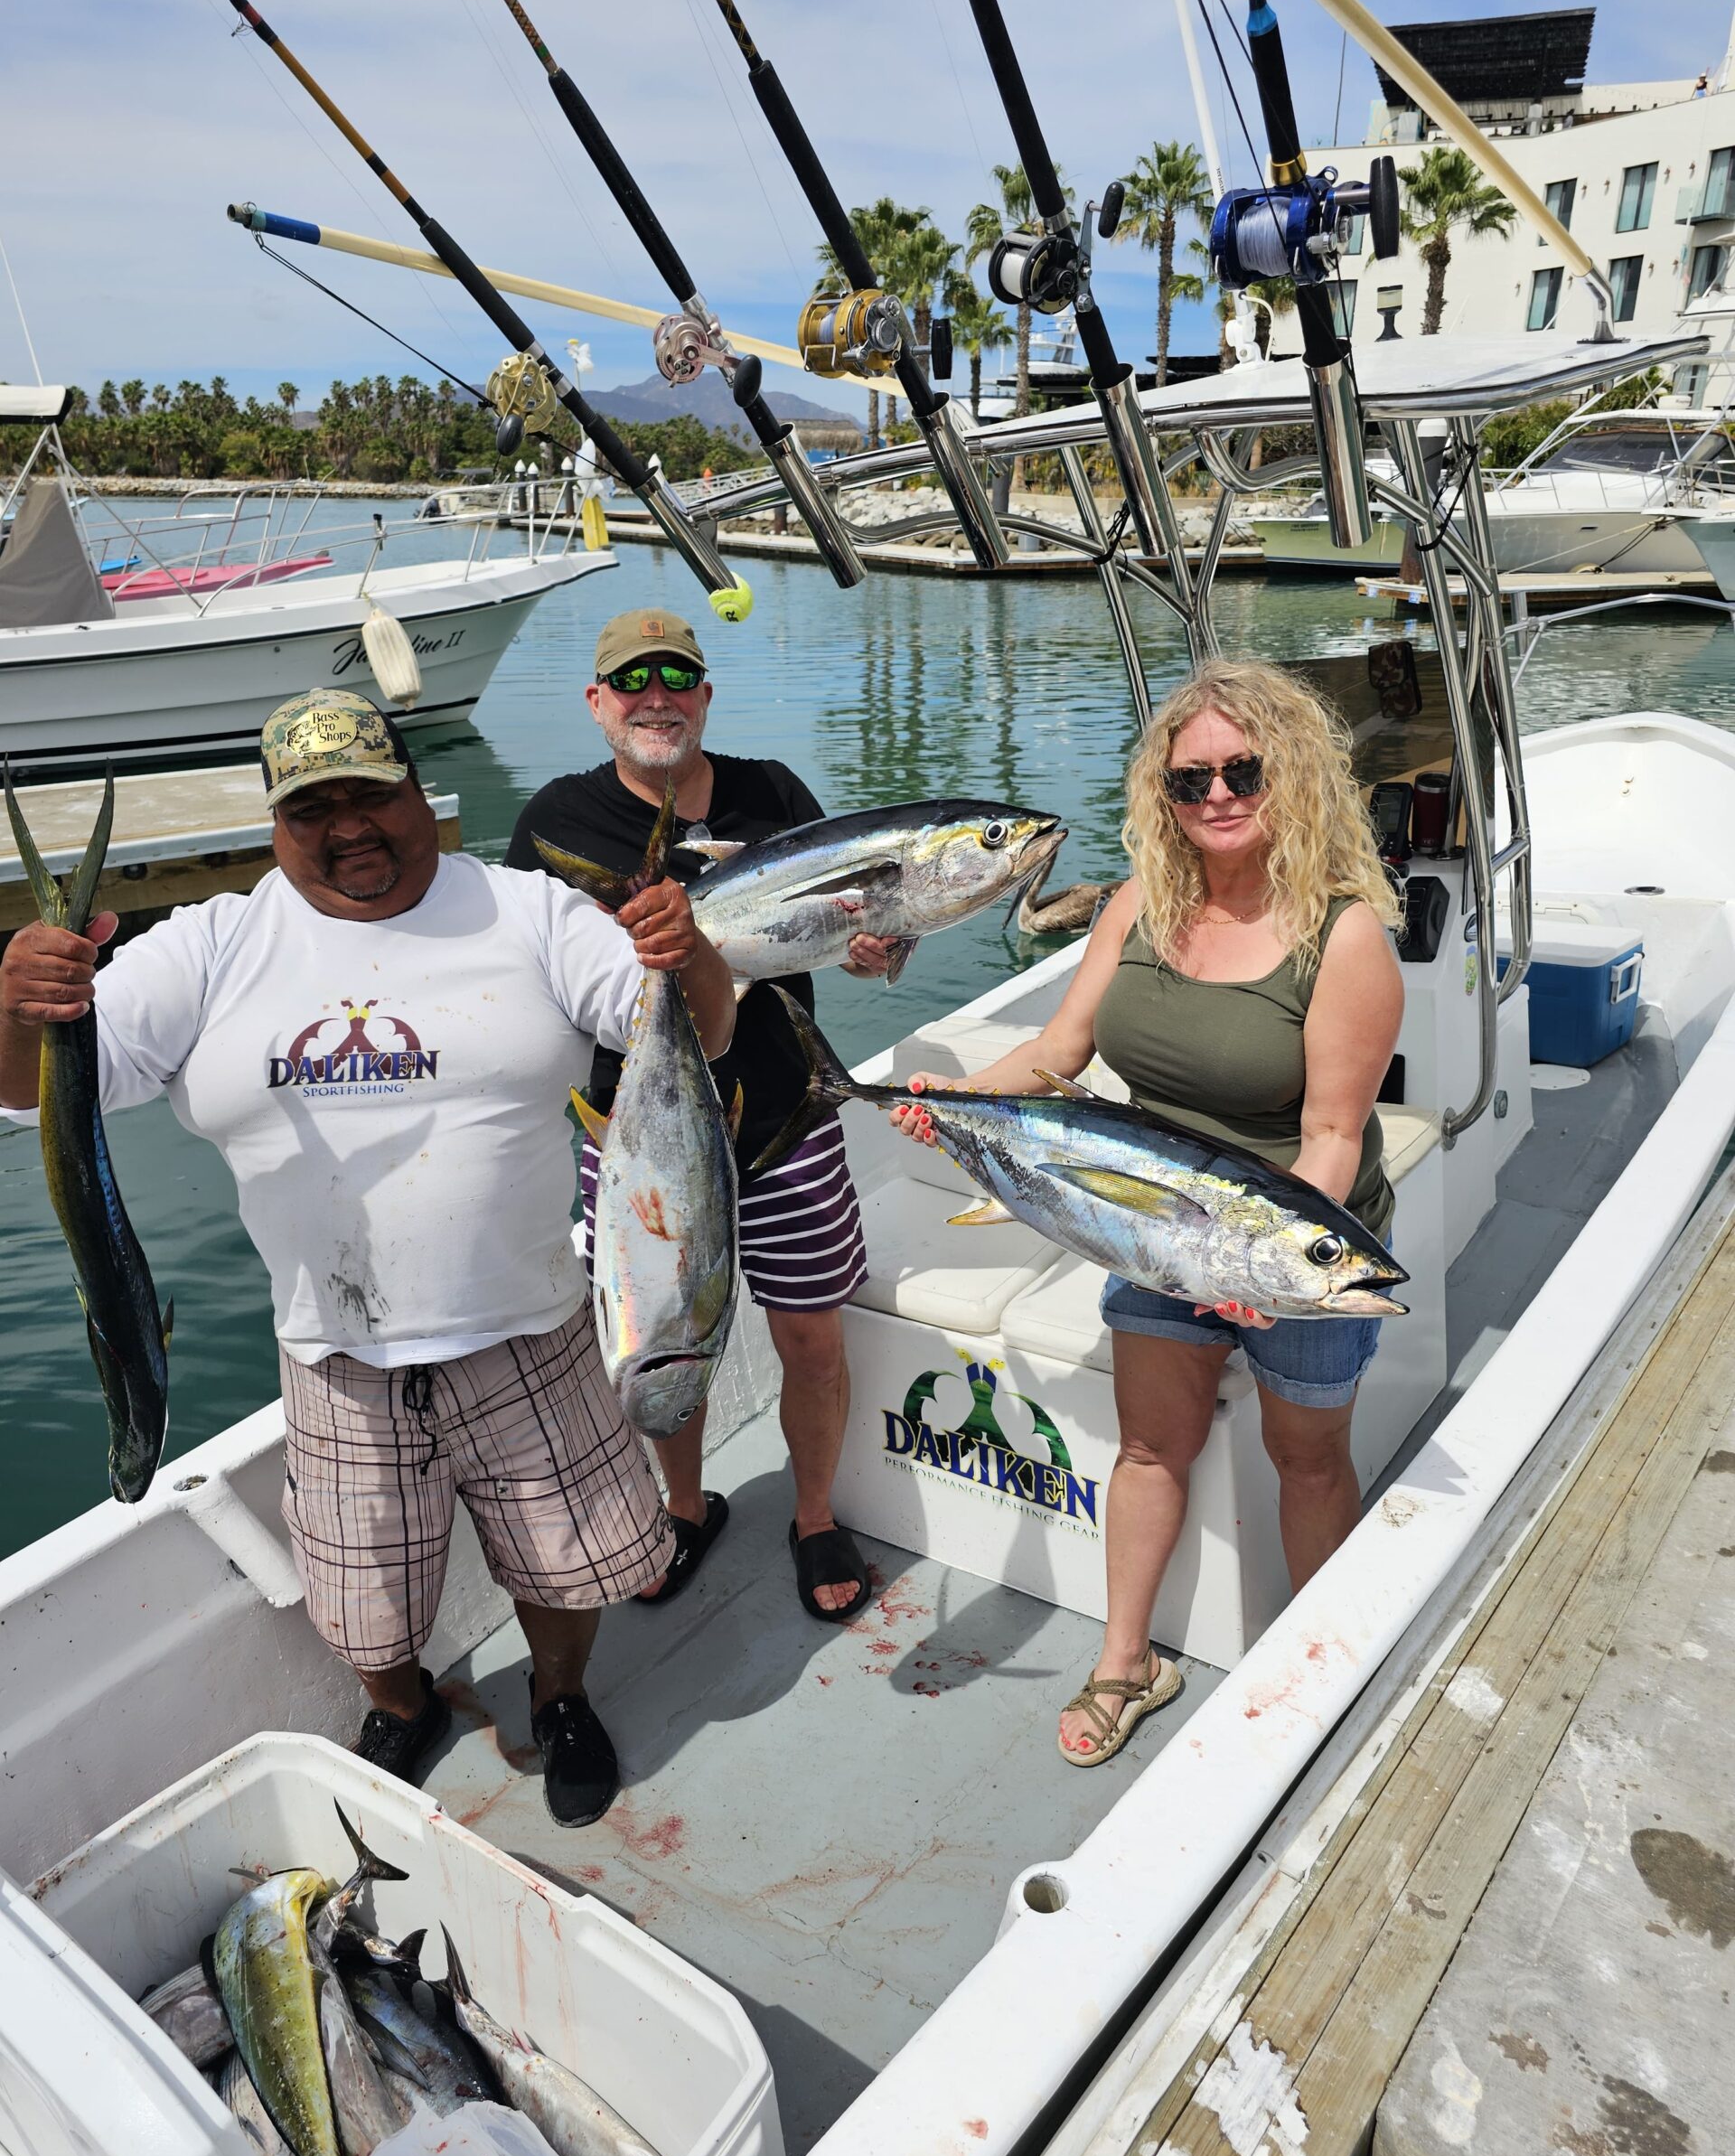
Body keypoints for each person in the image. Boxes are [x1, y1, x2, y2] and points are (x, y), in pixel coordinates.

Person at [0, 688, 736, 1827]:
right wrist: (23, 1003)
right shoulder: (209, 944)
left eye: (371, 794)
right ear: (274, 822)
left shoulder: (527, 910)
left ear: (415, 790)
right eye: (313, 808)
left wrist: (688, 955)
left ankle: (561, 1696)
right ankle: (405, 1706)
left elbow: (696, 1027)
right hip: (334, 1354)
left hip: (533, 1325)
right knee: (364, 1608)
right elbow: (26, 1085)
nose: (351, 826)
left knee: (570, 1565)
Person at [893, 658, 1403, 1766]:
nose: (1217, 794)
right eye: (1190, 780)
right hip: (1150, 1221)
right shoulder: (1139, 904)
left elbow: (1330, 1138)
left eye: (1243, 770)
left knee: (1307, 1458)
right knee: (1147, 1448)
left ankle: (1326, 1661)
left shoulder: (1345, 936)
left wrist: (1265, 1264)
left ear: (1293, 775)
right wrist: (955, 1105)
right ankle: (1130, 1661)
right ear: (1163, 795)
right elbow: (1056, 1054)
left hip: (1298, 1232)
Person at [508, 607, 897, 1622]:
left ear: (706, 695)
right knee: (660, 1335)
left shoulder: (775, 794)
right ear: (597, 704)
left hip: (784, 1119)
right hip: (637, 1146)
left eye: (678, 675)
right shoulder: (555, 820)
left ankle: (814, 1513)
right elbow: (519, 979)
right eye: (630, 679)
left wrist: (878, 947)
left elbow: (853, 924)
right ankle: (686, 1505)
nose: (657, 694)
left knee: (811, 1339)